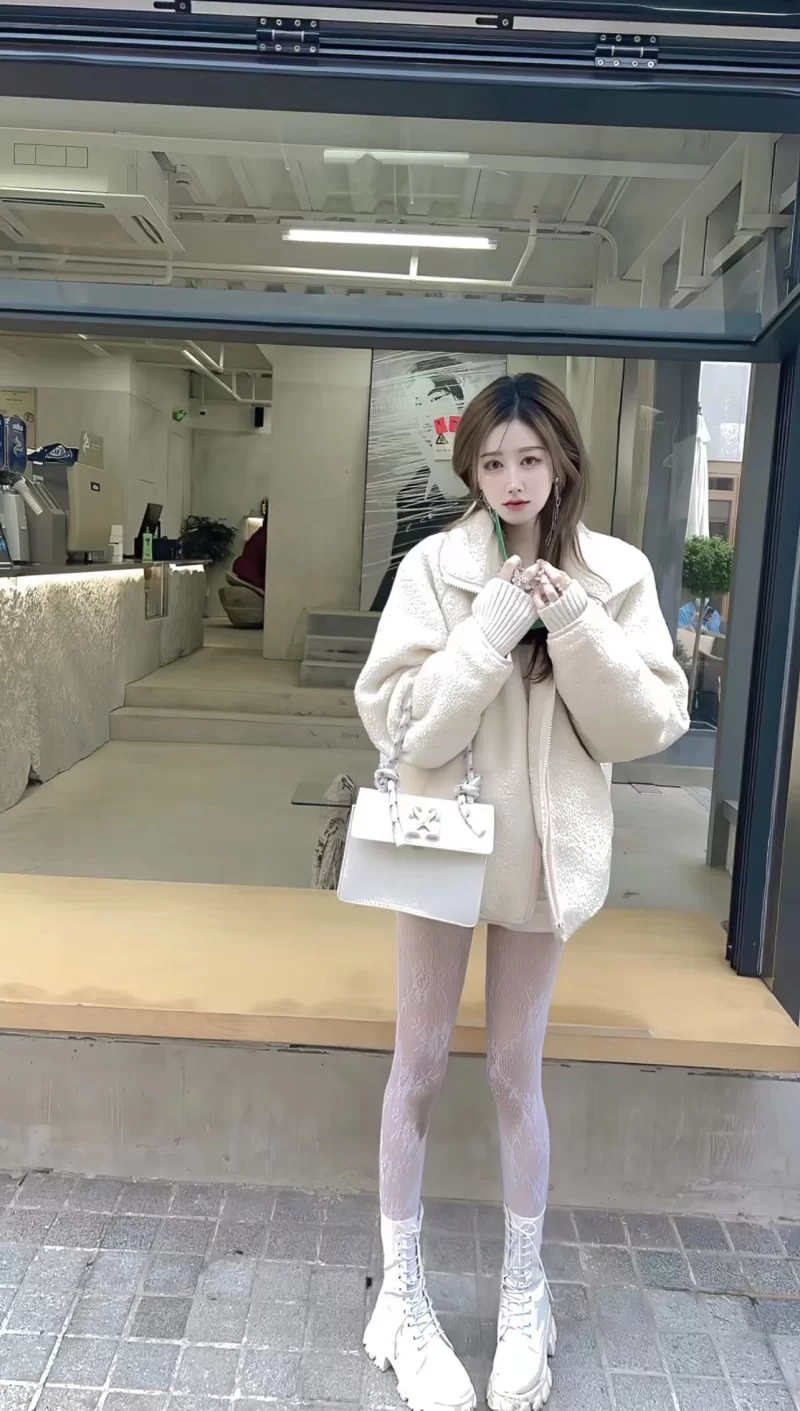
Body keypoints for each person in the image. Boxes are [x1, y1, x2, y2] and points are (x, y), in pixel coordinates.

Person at [354, 373, 690, 1411]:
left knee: (513, 1072)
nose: (511, 480)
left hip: (544, 856)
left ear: (562, 462)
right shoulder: (435, 567)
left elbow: (644, 726)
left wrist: (575, 625)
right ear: (471, 466)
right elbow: (405, 725)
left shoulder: (617, 574)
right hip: (440, 851)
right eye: (493, 461)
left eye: (530, 458)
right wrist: (488, 629)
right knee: (417, 1065)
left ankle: (522, 1295)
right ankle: (400, 1297)